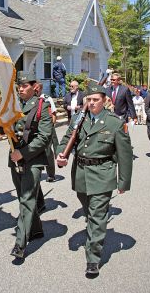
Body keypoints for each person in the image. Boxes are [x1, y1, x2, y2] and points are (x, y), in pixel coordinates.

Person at [56, 82, 133, 277]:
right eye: (88, 99)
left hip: (103, 174)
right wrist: (60, 154)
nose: (91, 103)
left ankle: (93, 258)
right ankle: (95, 231)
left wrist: (123, 182)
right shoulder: (78, 119)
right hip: (81, 173)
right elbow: (66, 140)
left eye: (95, 99)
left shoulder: (114, 122)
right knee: (89, 212)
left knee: (97, 216)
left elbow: (124, 155)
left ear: (105, 101)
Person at [9, 71, 53, 259]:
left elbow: (45, 137)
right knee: (23, 197)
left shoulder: (42, 106)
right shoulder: (14, 105)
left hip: (32, 158)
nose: (21, 88)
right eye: (19, 85)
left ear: (34, 87)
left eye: (25, 85)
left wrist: (23, 153)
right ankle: (36, 230)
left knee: (27, 199)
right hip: (14, 157)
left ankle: (20, 243)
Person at [35, 82, 59, 182]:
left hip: (46, 127)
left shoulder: (46, 98)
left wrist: (50, 127)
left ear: (40, 89)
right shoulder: (30, 99)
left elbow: (53, 113)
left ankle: (51, 174)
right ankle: (36, 172)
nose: (35, 90)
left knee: (48, 151)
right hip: (35, 127)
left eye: (36, 88)